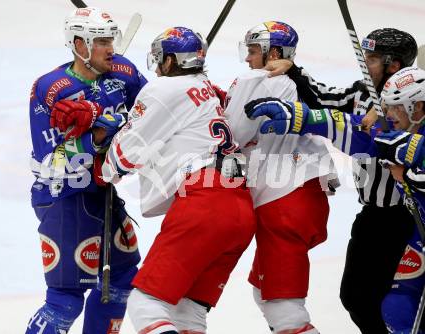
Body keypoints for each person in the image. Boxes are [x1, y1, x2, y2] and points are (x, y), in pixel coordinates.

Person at [244, 66, 425, 333]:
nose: (387, 115)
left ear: (418, 107)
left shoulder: (409, 142)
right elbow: (356, 131)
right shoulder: (396, 134)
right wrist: (301, 117)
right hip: (414, 236)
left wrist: (415, 162)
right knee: (392, 307)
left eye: (395, 107)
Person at [101, 27, 257, 334]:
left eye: (161, 59)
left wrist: (109, 139)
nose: (158, 66)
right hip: (239, 210)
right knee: (188, 314)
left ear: (172, 61)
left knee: (145, 304)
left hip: (205, 205)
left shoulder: (162, 90)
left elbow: (124, 158)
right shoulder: (208, 87)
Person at [26, 7, 146, 334]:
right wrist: (94, 138)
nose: (111, 48)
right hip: (64, 198)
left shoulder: (124, 74)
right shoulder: (51, 88)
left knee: (122, 280)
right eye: (102, 41)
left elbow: (153, 115)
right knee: (65, 299)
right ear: (79, 45)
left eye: (112, 39)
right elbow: (50, 161)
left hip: (101, 194)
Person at [223, 21, 337, 334]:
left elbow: (230, 138)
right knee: (265, 292)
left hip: (283, 201)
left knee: (284, 308)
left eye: (253, 50)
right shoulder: (296, 82)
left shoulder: (256, 80)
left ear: (273, 52)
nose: (248, 59)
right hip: (308, 197)